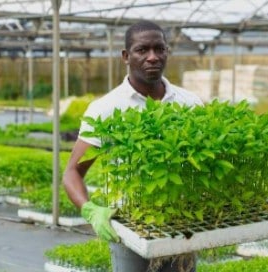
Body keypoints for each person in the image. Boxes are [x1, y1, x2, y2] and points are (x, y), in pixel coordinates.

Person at [63, 20, 202, 272]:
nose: (152, 57)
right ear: (126, 56)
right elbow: (72, 172)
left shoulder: (189, 103)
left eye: (159, 49)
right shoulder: (106, 108)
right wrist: (90, 210)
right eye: (142, 50)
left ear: (167, 52)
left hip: (184, 227)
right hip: (130, 227)